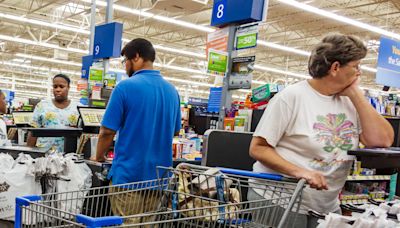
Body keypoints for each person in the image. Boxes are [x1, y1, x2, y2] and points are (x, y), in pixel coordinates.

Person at [248, 34, 394, 228]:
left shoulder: (350, 102)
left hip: (327, 205)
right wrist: (301, 172)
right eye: (356, 66)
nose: (359, 72)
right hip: (280, 200)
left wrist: (355, 94)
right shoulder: (291, 97)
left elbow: (382, 140)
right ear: (335, 68)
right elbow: (258, 148)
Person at [93, 38, 181, 223]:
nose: (125, 66)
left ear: (137, 57)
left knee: (126, 224)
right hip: (158, 179)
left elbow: (107, 131)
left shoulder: (125, 87)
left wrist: (99, 156)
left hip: (128, 177)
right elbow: (174, 132)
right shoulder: (172, 91)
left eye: (125, 60)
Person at [27, 74, 80, 152]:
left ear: (68, 88)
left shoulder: (77, 108)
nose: (58, 89)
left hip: (69, 156)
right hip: (44, 154)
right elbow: (33, 131)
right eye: (55, 87)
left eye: (61, 86)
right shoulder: (42, 106)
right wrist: (29, 153)